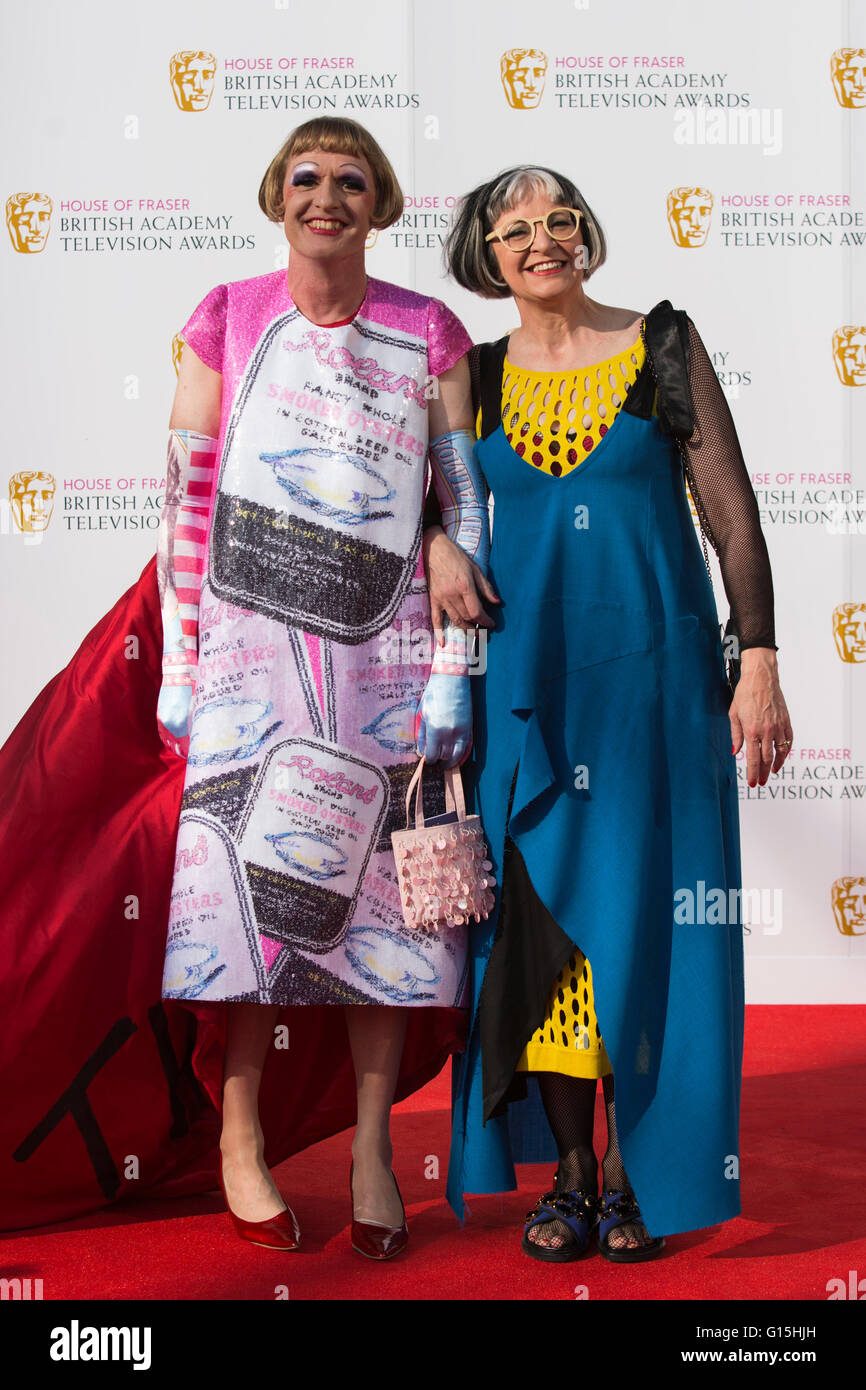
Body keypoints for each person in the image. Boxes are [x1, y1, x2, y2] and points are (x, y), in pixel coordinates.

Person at [0, 118, 476, 1256]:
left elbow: (464, 507)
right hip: (247, 659)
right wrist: (180, 657)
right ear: (277, 194)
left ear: (380, 202)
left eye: (350, 180)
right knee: (241, 903)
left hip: (391, 655)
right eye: (307, 177)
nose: (327, 197)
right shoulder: (223, 315)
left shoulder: (431, 329)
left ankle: (371, 1145)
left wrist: (454, 669)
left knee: (384, 908)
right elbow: (187, 505)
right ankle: (240, 1136)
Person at [421, 165, 793, 1261]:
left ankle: (638, 1171)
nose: (543, 240)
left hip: (657, 694)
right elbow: (422, 507)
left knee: (648, 930)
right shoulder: (470, 377)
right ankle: (573, 1176)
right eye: (514, 228)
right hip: (523, 695)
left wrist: (757, 657)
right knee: (537, 941)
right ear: (485, 259)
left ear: (587, 233)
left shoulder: (660, 344)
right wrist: (437, 542)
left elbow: (732, 519)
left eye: (560, 218)